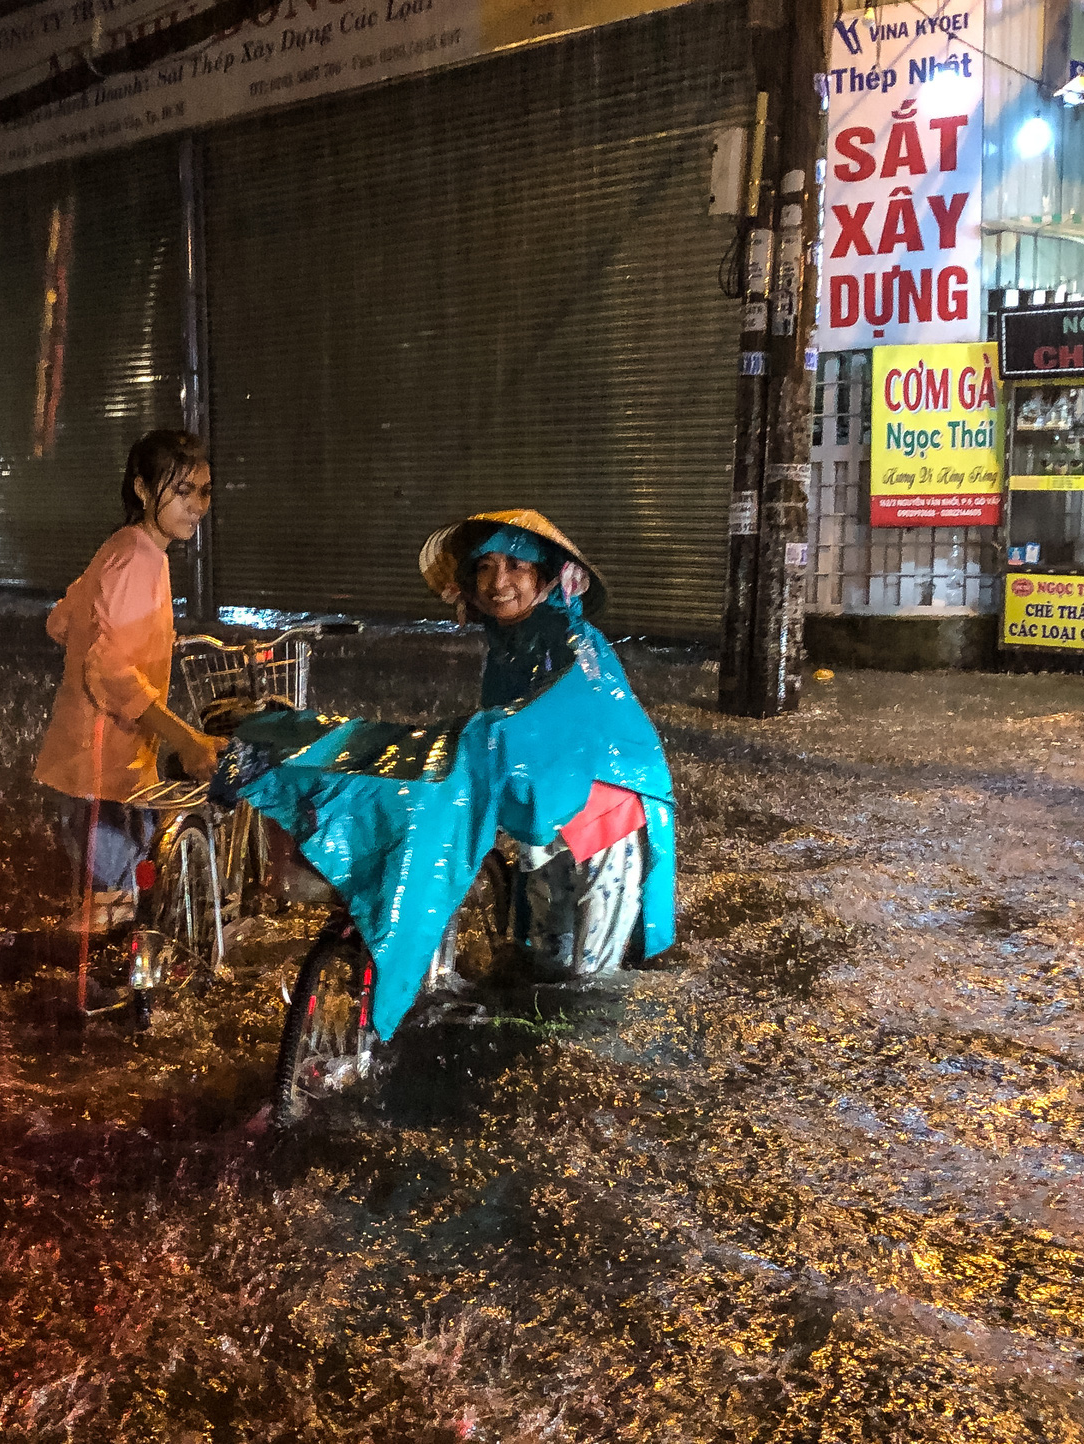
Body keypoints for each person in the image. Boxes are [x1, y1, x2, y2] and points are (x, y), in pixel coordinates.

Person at [220, 508, 676, 1043]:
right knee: (538, 967)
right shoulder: (510, 643)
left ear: (548, 576)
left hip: (604, 826)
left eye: (516, 566)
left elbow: (530, 729)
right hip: (545, 816)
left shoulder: (573, 645)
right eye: (484, 567)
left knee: (582, 993)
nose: (498, 582)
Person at [33, 430, 221, 932]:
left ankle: (98, 992)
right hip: (107, 767)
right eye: (181, 491)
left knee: (119, 899)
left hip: (97, 762)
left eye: (203, 491)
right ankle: (88, 1003)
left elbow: (62, 620)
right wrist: (187, 738)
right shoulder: (138, 558)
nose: (196, 505)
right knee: (111, 911)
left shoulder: (125, 548)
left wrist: (138, 638)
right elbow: (109, 668)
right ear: (143, 489)